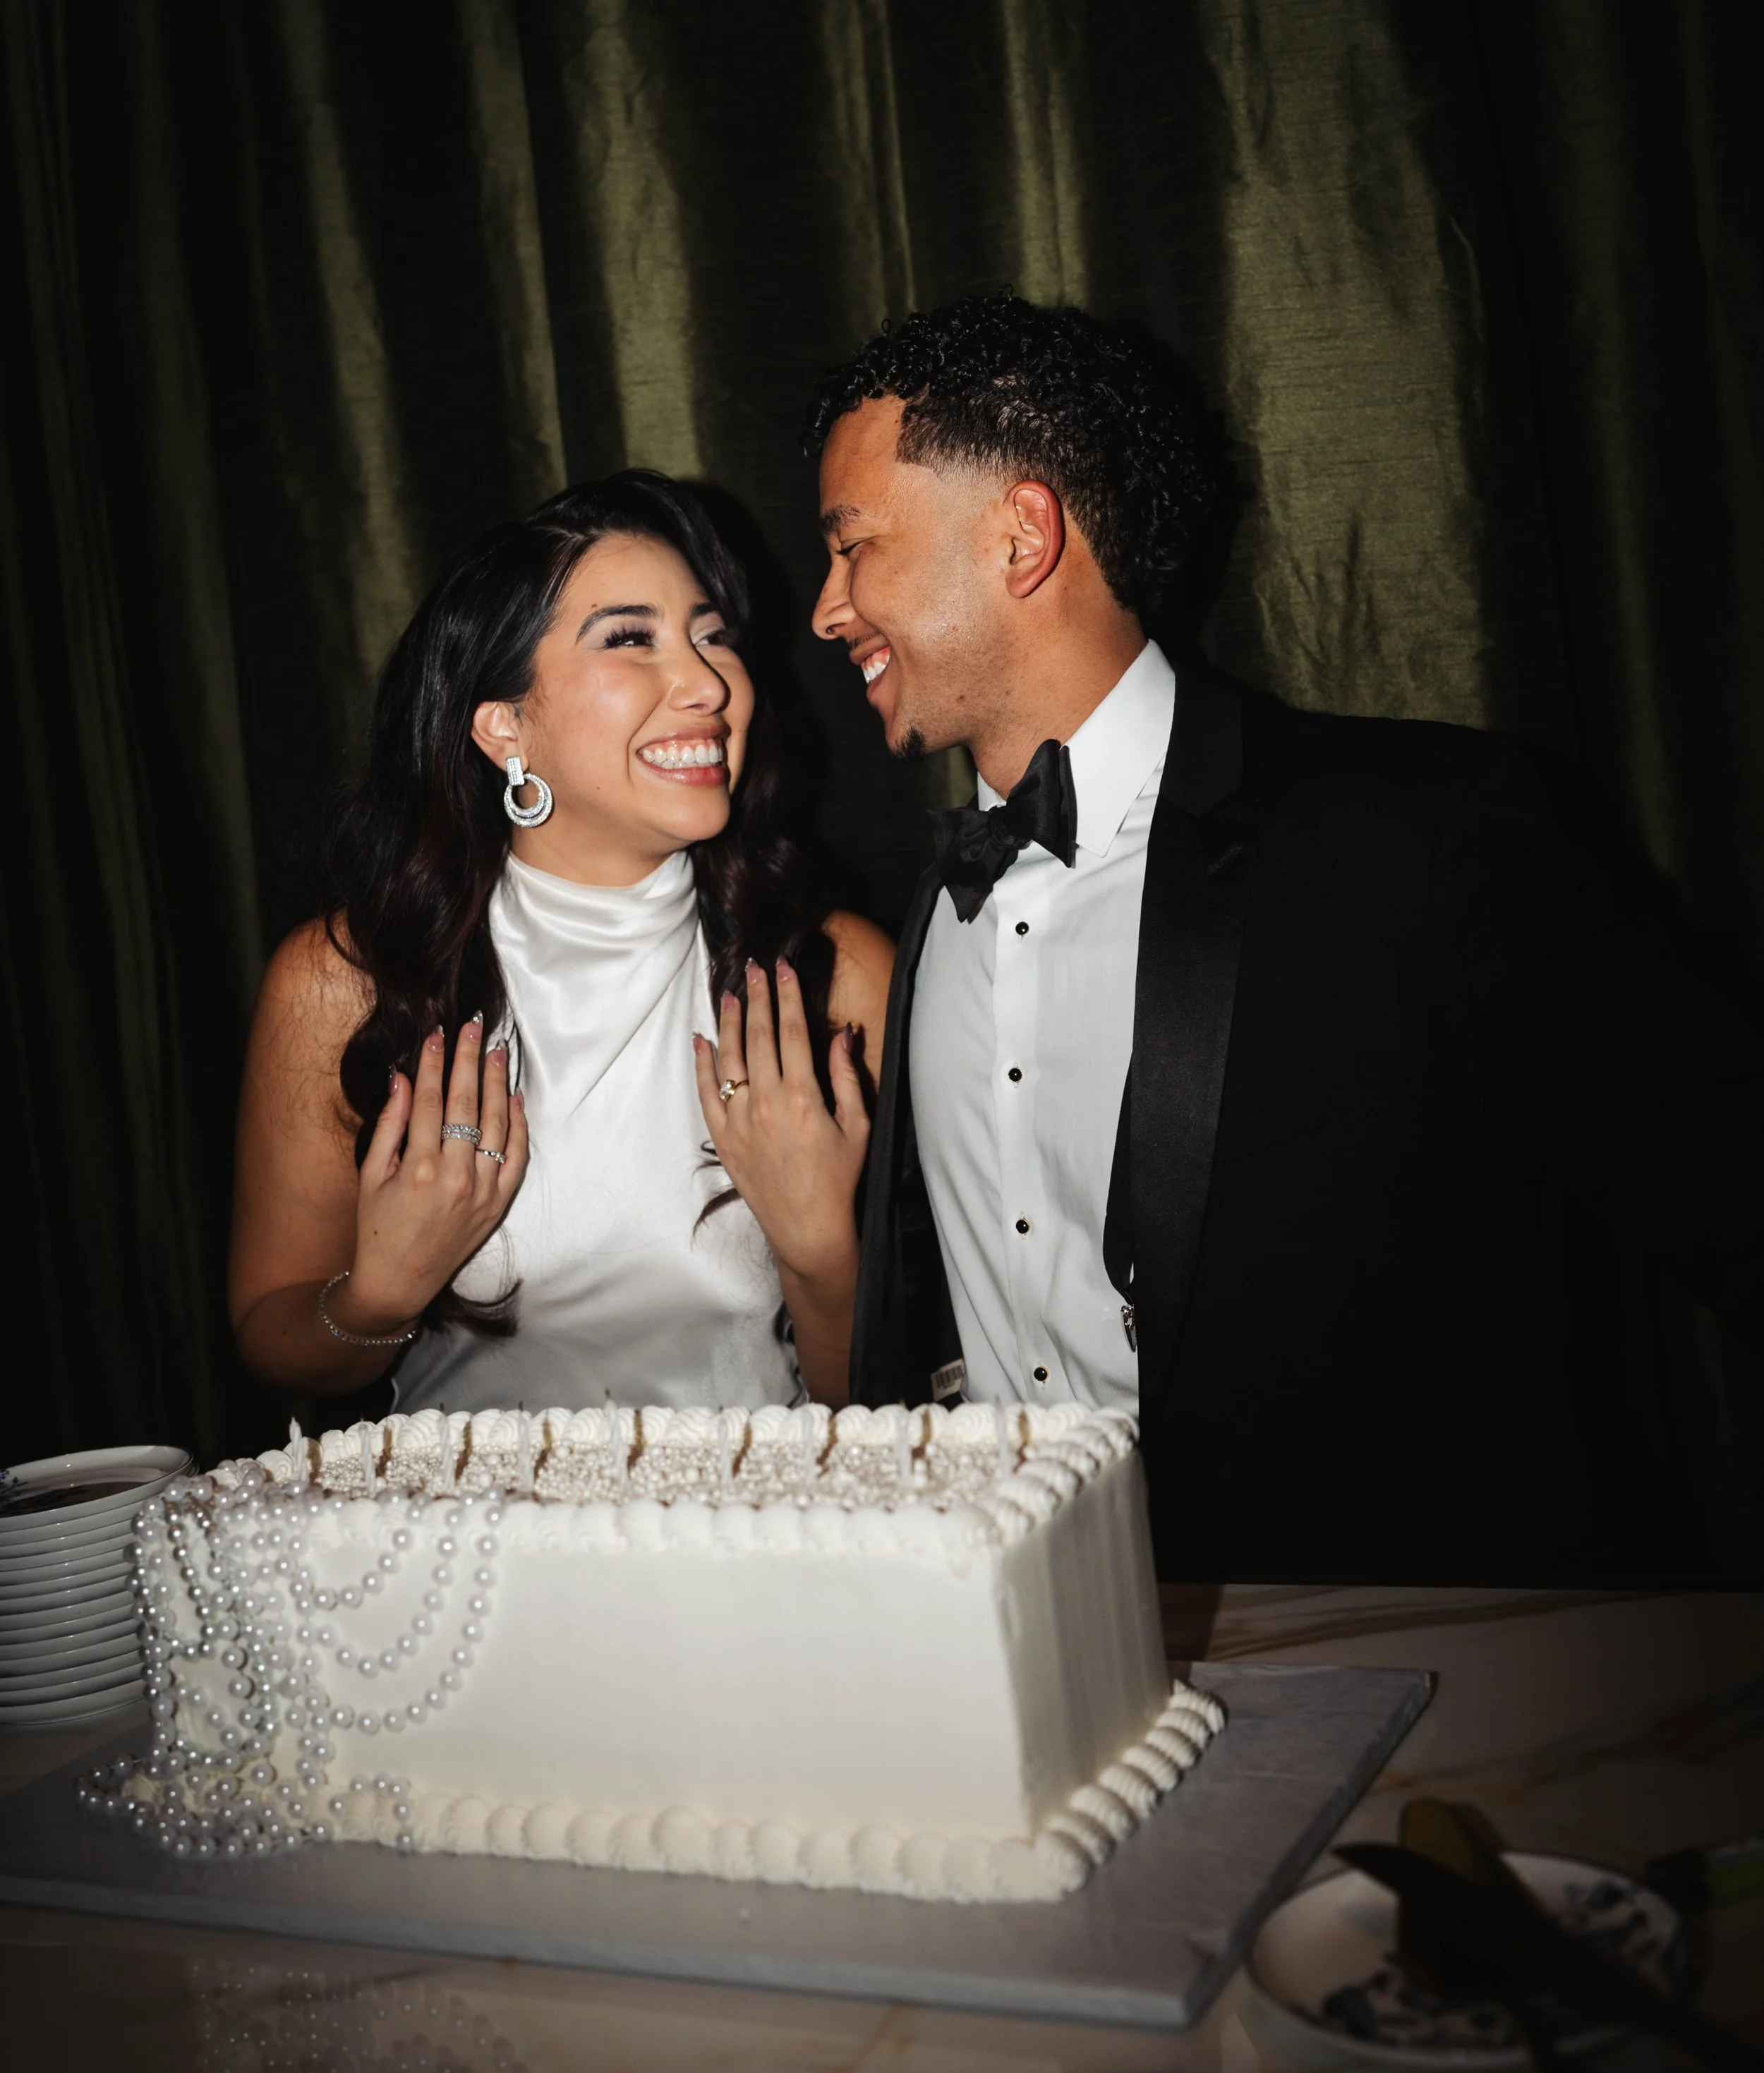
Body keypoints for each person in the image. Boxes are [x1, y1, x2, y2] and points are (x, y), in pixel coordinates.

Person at [807, 293, 1764, 1582]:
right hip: (1034, 1687)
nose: (825, 608)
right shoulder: (925, 915)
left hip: (1403, 1689)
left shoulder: (1420, 835)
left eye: (852, 546)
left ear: (1022, 536)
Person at [231, 471, 891, 1413]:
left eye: (713, 637)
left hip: (759, 1544)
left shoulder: (836, 970)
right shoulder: (345, 979)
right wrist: (380, 1294)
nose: (707, 683)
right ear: (505, 728)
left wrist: (825, 1259)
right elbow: (274, 1339)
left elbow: (908, 1420)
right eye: (632, 639)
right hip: (468, 1552)